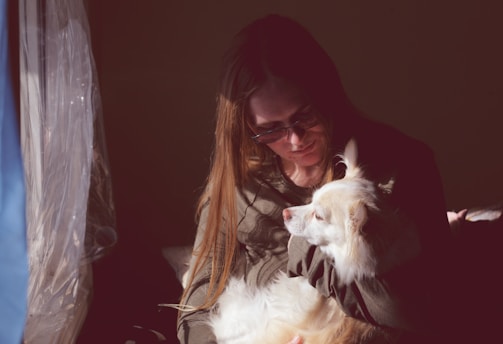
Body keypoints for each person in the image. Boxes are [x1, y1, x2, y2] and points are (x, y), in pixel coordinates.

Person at [176, 14, 473, 344]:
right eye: (269, 129)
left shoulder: (400, 165)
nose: (294, 139)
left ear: (325, 94)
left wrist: (303, 249)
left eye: (304, 115)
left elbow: (426, 311)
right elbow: (197, 303)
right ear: (247, 127)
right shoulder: (241, 185)